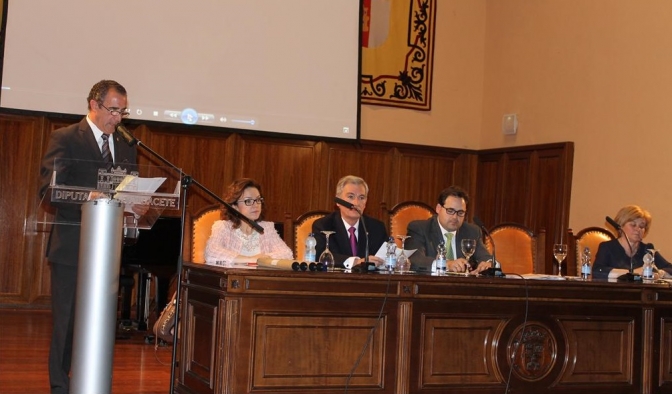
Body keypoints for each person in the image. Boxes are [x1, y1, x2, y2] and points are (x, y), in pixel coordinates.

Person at [38, 80, 139, 394]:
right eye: (113, 110)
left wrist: (137, 203)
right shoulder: (66, 138)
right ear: (94, 105)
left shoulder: (125, 145)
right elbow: (49, 190)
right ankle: (59, 387)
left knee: (101, 326)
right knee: (67, 325)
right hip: (71, 247)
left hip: (108, 250)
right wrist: (89, 196)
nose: (118, 118)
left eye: (123, 111)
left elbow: (129, 190)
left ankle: (94, 382)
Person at [406, 186, 493, 274]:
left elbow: (486, 257)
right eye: (450, 211)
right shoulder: (420, 228)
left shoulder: (472, 231)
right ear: (438, 208)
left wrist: (487, 264)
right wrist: (446, 264)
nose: (455, 217)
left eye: (460, 212)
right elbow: (415, 259)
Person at [205, 178, 293, 265]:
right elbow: (211, 252)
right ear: (235, 206)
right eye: (248, 201)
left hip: (260, 278)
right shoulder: (223, 227)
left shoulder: (267, 228)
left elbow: (287, 254)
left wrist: (264, 258)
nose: (256, 205)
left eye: (258, 200)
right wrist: (250, 259)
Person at [312, 175, 388, 269]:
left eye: (361, 197)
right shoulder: (323, 225)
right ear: (338, 201)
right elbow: (320, 256)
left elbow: (385, 257)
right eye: (350, 197)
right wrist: (356, 261)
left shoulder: (377, 227)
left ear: (366, 202)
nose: (356, 203)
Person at [593, 205, 672, 280]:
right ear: (621, 226)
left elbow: (670, 268)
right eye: (633, 225)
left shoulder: (647, 249)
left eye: (641, 226)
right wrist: (632, 273)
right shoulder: (607, 247)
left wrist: (659, 273)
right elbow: (597, 271)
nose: (638, 229)